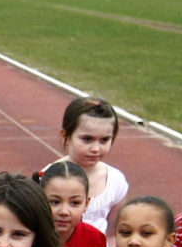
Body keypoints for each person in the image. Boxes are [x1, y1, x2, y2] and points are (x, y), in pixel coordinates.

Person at [46, 96, 128, 234]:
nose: (96, 148)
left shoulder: (116, 180)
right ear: (65, 136)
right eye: (87, 139)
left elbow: (115, 233)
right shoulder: (46, 177)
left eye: (104, 140)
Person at [35, 161, 104, 247]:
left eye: (75, 203)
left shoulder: (95, 238)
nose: (64, 212)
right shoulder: (27, 235)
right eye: (55, 202)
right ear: (40, 199)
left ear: (86, 204)